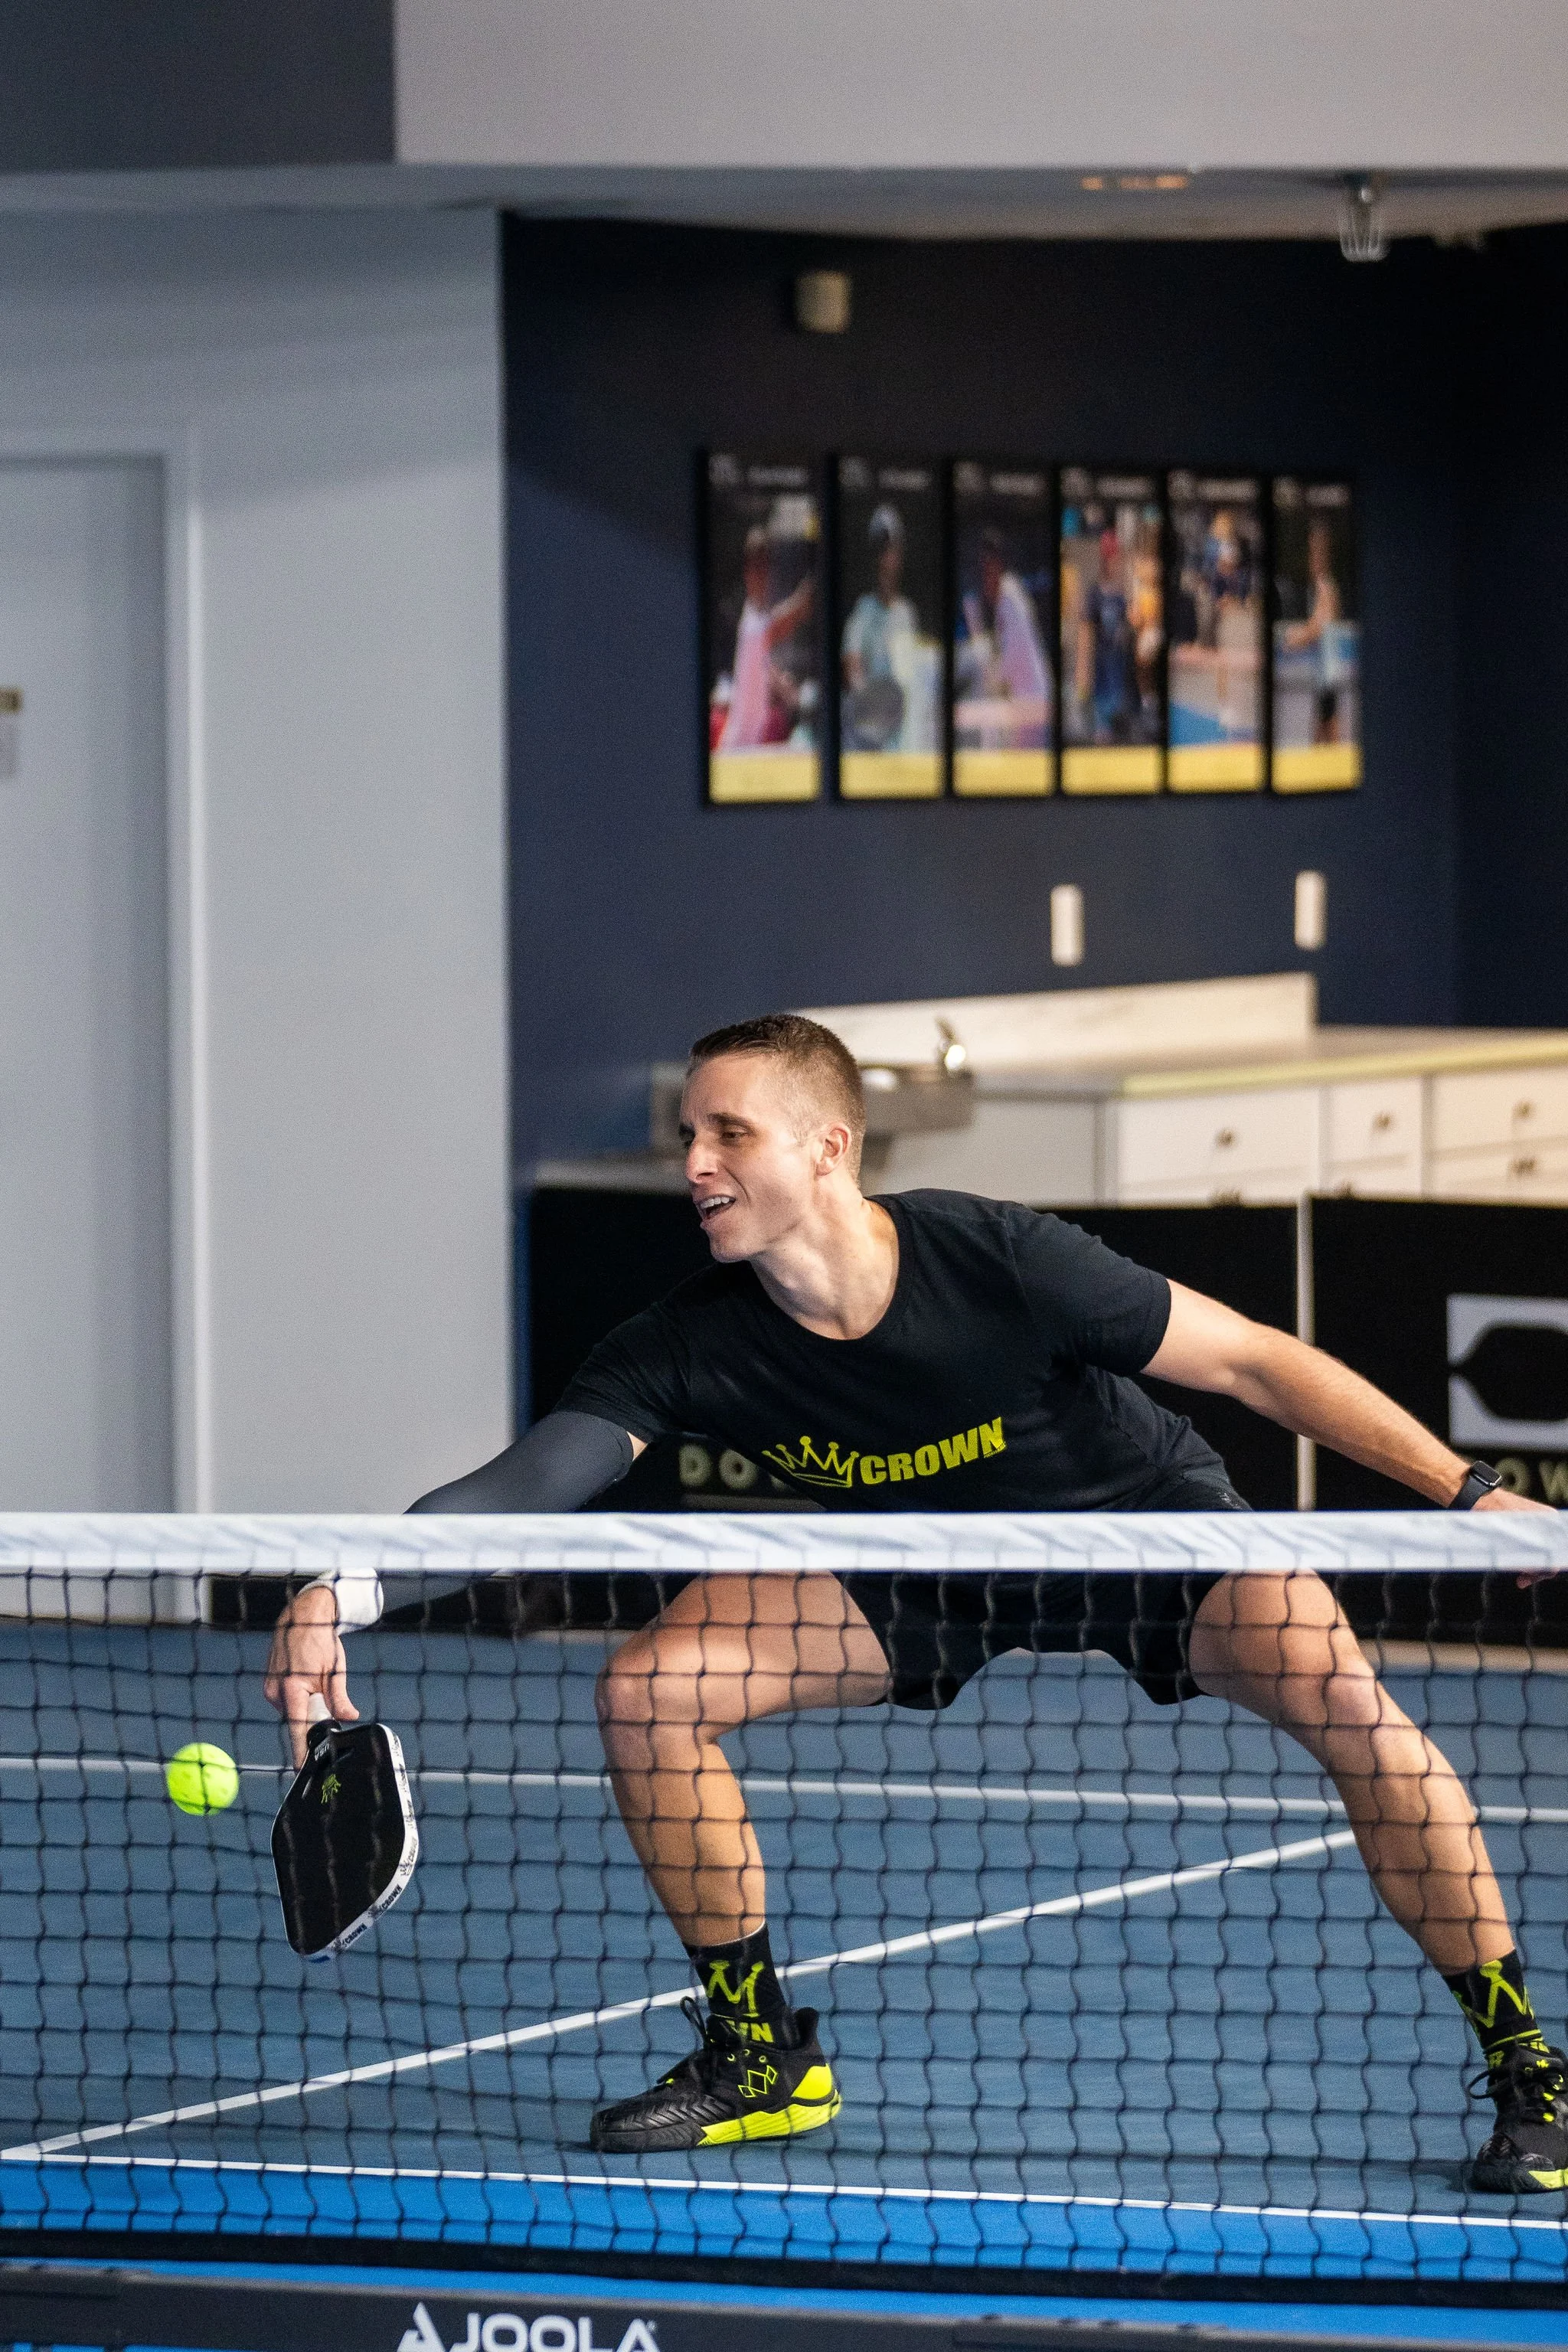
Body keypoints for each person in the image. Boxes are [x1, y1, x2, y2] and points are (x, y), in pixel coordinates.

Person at [265, 1016, 1566, 2190]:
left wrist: (1468, 1493)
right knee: (647, 1688)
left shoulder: (991, 1255)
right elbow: (524, 1486)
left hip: (1136, 1527)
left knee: (1346, 1698)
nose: (696, 1165)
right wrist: (348, 1586)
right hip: (922, 1562)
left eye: (731, 1133)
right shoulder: (685, 1338)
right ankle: (759, 2050)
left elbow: (1255, 1363)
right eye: (686, 1138)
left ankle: (1528, 2071)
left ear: (827, 1147)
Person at [718, 526, 813, 752]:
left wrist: (780, 681)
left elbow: (759, 666)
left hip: (751, 748)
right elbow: (787, 620)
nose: (762, 574)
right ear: (746, 571)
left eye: (765, 565)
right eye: (756, 566)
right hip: (736, 752)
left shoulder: (754, 614)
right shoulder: (751, 625)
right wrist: (811, 588)